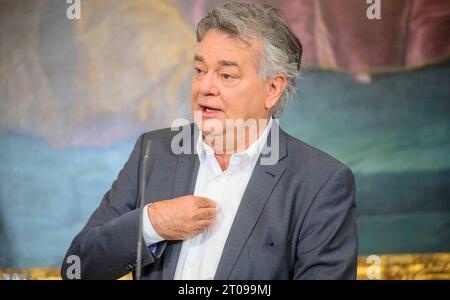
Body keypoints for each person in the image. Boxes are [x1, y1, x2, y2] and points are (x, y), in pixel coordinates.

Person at [61, 2, 357, 280]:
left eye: (227, 75)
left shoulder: (320, 182)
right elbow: (77, 267)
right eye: (200, 70)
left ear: (272, 89)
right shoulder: (153, 152)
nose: (205, 87)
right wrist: (152, 224)